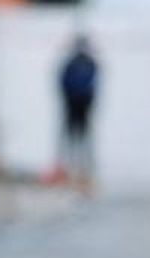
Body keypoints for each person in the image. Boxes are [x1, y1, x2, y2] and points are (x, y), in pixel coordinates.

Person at [59, 34, 98, 193]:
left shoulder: (87, 64)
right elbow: (63, 83)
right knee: (75, 138)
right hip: (76, 105)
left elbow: (92, 85)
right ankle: (73, 169)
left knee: (80, 138)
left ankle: (82, 170)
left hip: (79, 105)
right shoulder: (81, 64)